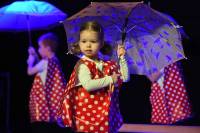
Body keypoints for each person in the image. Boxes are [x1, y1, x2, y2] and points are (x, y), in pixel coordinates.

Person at [58, 21, 129, 133]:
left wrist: (122, 58)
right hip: (87, 115)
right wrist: (110, 79)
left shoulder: (107, 64)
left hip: (104, 112)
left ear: (101, 44)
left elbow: (124, 77)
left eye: (93, 41)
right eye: (84, 41)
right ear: (79, 43)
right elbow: (88, 85)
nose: (88, 45)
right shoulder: (82, 65)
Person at [27, 32, 66, 132]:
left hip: (43, 98)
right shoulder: (54, 60)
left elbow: (30, 71)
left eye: (40, 47)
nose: (39, 49)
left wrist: (30, 61)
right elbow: (42, 67)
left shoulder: (44, 62)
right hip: (54, 97)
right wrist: (35, 54)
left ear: (47, 48)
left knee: (44, 124)